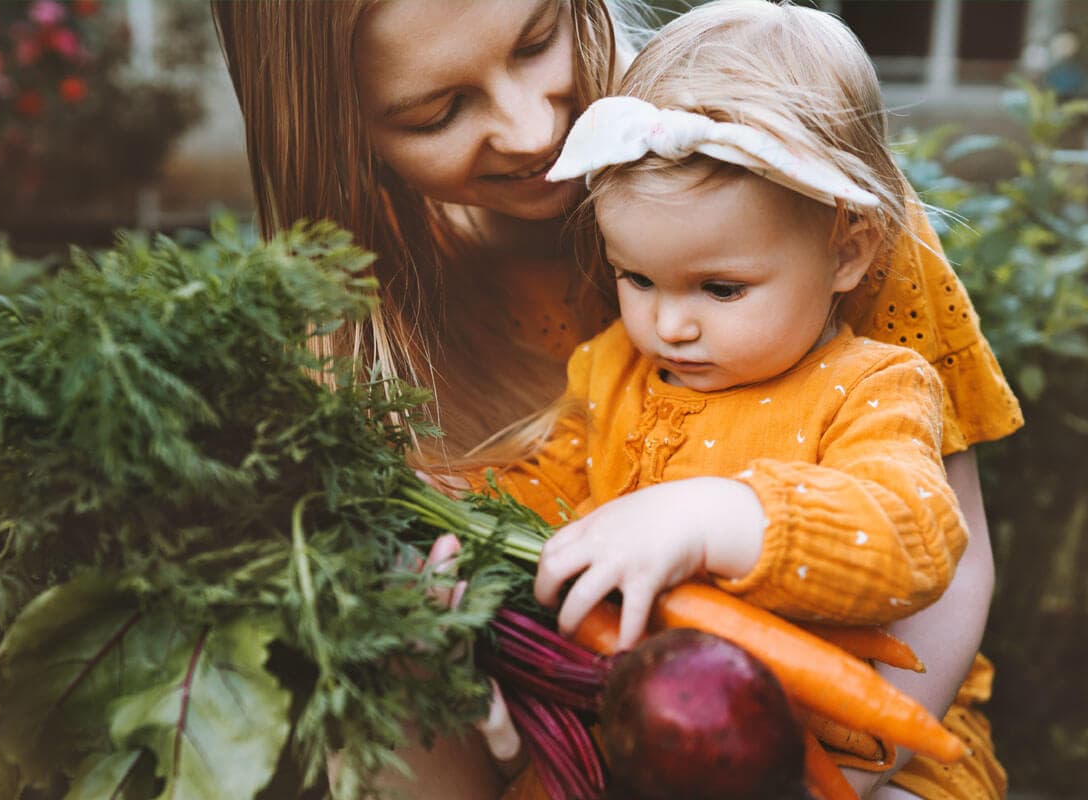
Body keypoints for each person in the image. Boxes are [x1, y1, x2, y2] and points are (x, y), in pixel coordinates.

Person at [211, 1, 1021, 797]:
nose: (534, 131)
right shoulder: (550, 364)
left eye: (535, 41)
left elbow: (938, 545)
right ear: (334, 124)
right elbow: (537, 543)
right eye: (437, 111)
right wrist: (455, 639)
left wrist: (831, 779)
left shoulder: (790, 161)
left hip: (876, 740)